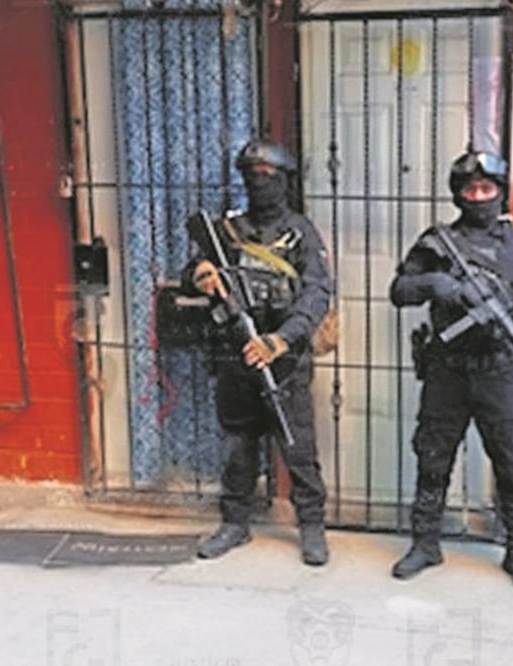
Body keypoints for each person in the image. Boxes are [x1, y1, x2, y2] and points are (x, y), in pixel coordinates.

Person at [387, 149, 513, 592]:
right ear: (457, 194)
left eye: (487, 189)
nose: (479, 197)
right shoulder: (438, 243)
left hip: (500, 371)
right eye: (470, 190)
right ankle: (425, 543)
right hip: (447, 371)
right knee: (433, 456)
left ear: (500, 192)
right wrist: (434, 285)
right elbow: (399, 289)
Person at [184, 139, 333, 565]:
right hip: (237, 354)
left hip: (282, 356)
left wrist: (281, 339)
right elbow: (191, 271)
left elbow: (318, 293)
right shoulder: (228, 231)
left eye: (267, 176)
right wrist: (201, 275)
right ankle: (234, 523)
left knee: (297, 444)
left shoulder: (300, 233)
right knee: (238, 443)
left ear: (284, 181)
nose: (258, 183)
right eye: (251, 175)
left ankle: (311, 526)